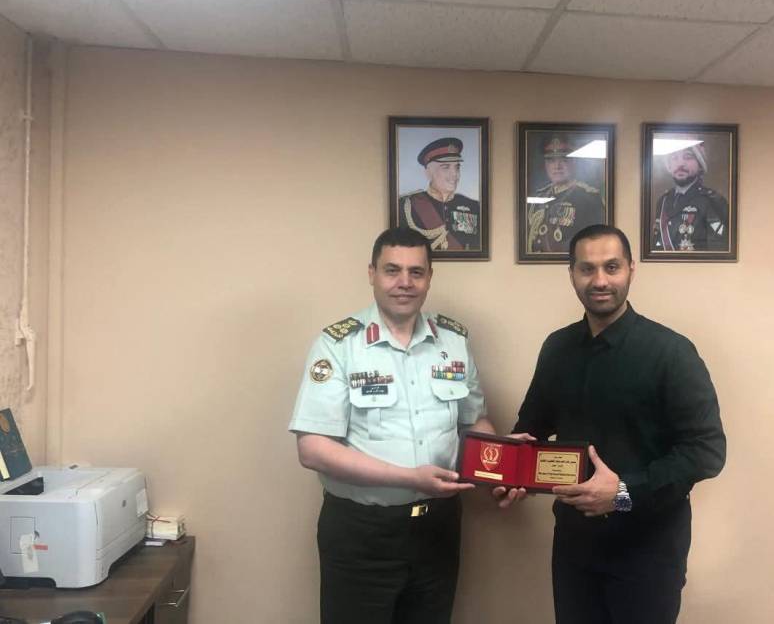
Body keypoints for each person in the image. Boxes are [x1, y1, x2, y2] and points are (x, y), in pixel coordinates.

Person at [507, 224, 726, 623]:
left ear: (631, 270)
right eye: (587, 269)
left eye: (612, 267)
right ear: (572, 274)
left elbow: (707, 453)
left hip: (648, 552)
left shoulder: (672, 353)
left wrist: (623, 492)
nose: (600, 280)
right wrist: (510, 469)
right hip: (574, 548)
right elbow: (531, 428)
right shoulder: (557, 348)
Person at [288, 227, 494, 624]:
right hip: (361, 532)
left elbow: (474, 422)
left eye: (416, 272)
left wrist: (501, 462)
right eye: (392, 270)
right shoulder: (338, 345)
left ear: (429, 277)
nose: (405, 282)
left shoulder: (453, 341)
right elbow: (313, 449)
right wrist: (409, 478)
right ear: (372, 274)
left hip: (438, 527)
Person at [399, 137, 481, 251]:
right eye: (446, 167)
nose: (454, 174)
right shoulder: (406, 206)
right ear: (428, 173)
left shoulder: (474, 206)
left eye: (457, 167)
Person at [528, 136, 605, 253]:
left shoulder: (589, 198)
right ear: (545, 164)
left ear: (575, 161)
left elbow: (597, 243)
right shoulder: (538, 197)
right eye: (551, 160)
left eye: (564, 159)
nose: (557, 166)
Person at [653, 142, 729, 251]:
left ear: (700, 165)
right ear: (669, 166)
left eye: (688, 157)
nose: (680, 164)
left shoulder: (712, 201)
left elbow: (718, 250)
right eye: (674, 158)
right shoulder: (663, 200)